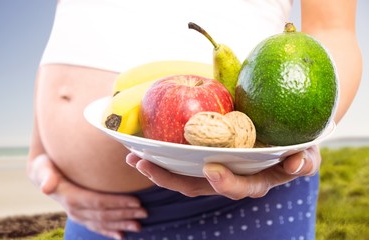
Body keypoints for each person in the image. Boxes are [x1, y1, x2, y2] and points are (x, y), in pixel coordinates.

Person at [27, 0, 362, 239]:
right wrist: (41, 155)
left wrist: (304, 137)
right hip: (92, 212)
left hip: (239, 198)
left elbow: (334, 29)